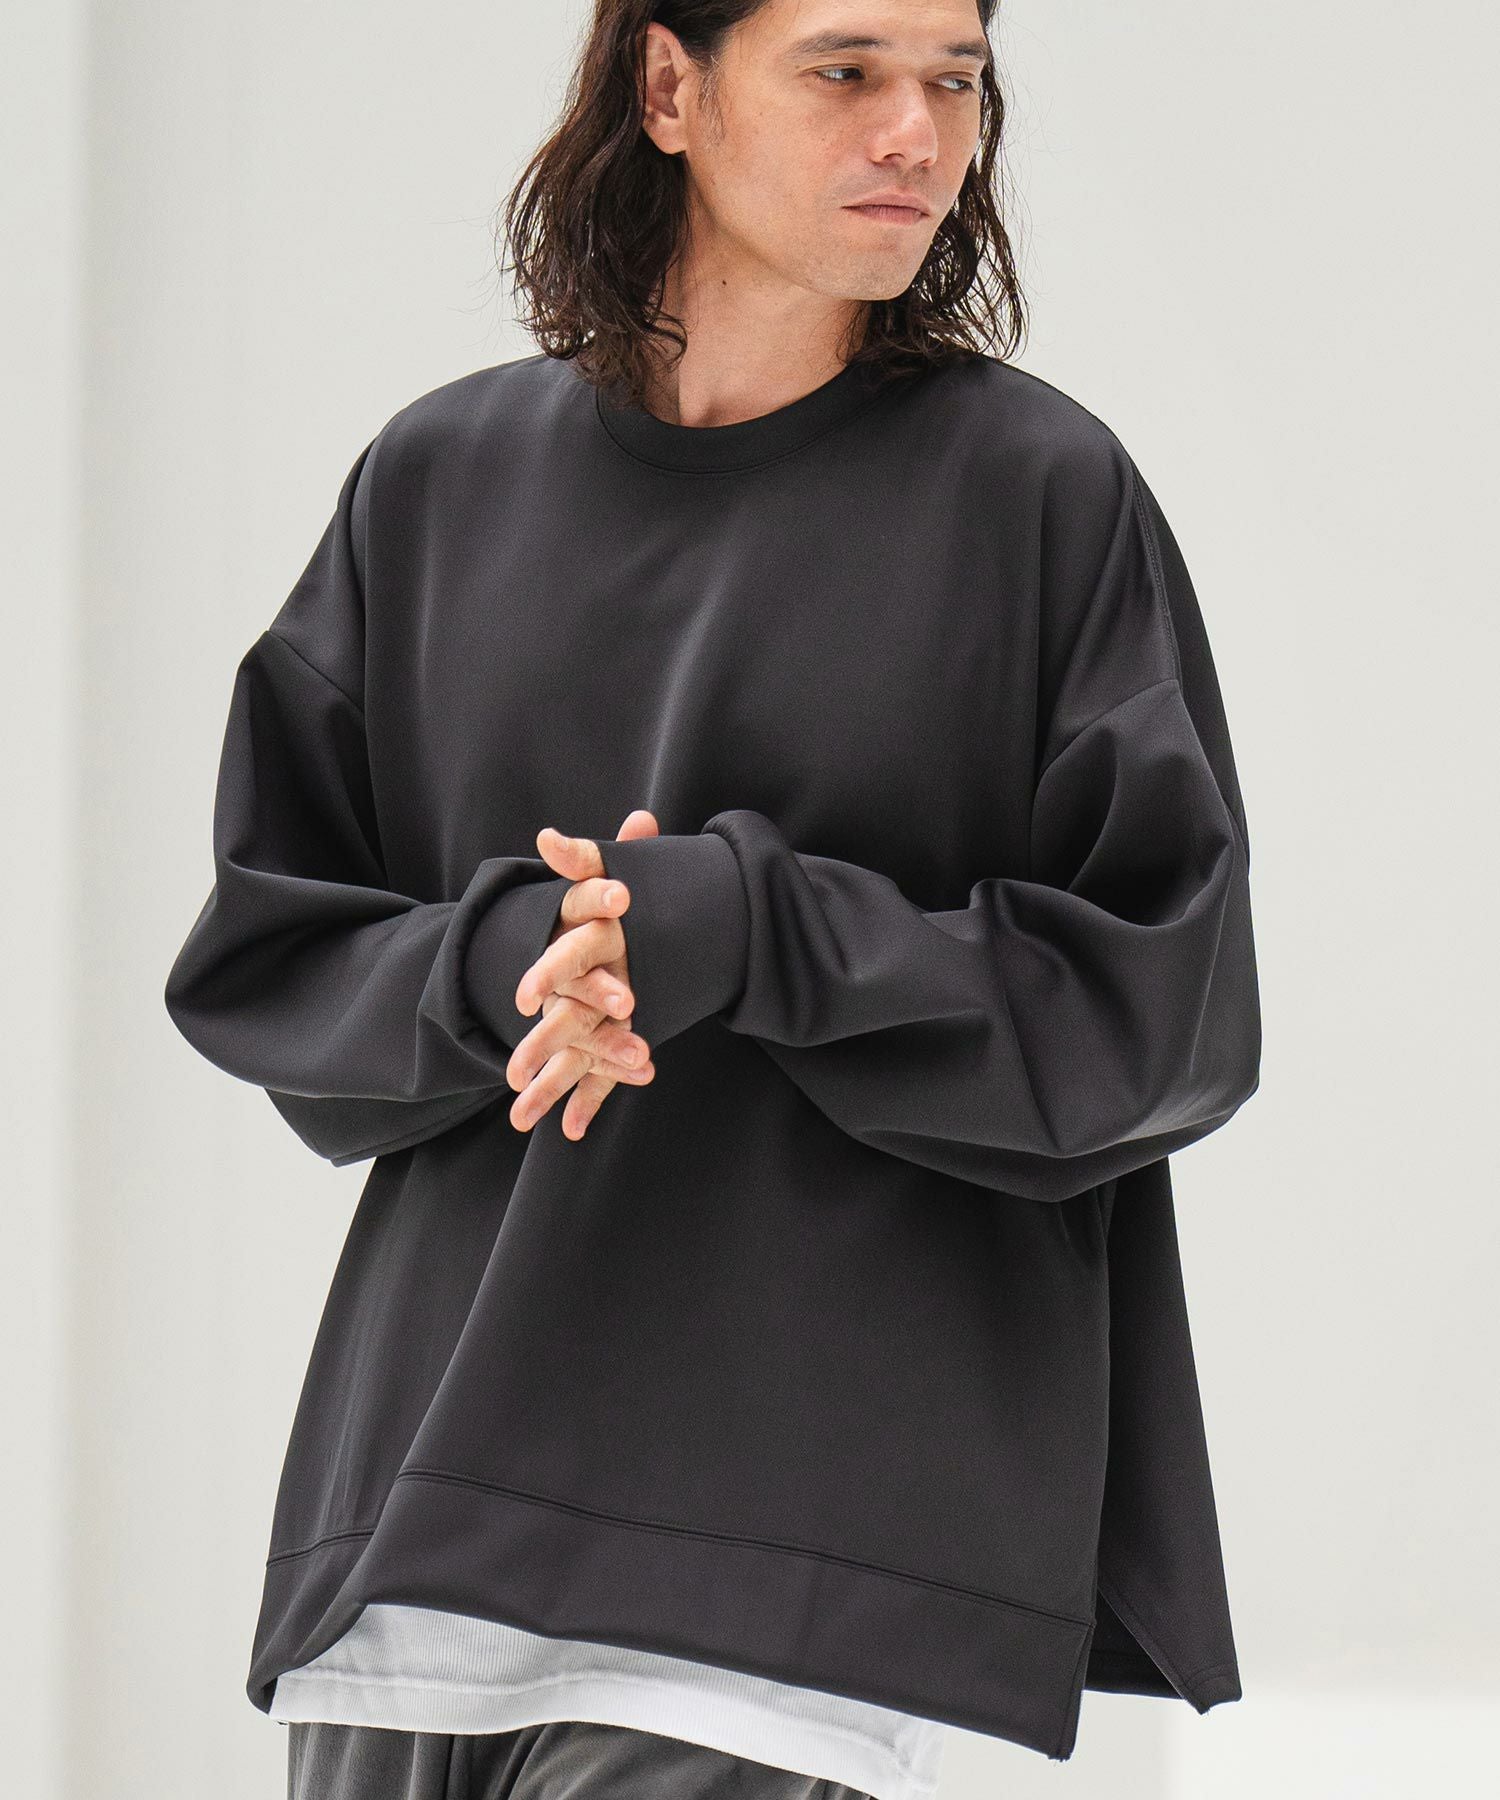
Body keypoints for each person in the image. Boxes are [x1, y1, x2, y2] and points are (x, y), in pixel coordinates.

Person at [163, 2, 1263, 1796]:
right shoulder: (439, 483)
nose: (917, 132)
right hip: (420, 1527)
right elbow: (268, 959)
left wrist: (755, 935)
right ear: (669, 84)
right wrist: (508, 963)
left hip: (790, 1552)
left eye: (957, 80)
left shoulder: (1037, 497)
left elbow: (1167, 1014)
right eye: (848, 70)